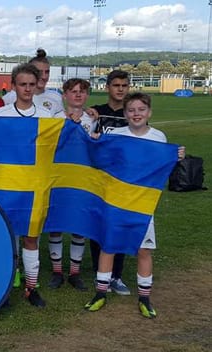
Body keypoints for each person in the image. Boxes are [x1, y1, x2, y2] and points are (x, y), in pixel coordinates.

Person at [84, 92, 185, 318]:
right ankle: (100, 293)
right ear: (125, 113)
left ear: (149, 112)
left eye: (141, 110)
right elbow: (100, 158)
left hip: (142, 203)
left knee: (144, 249)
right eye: (131, 110)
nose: (136, 114)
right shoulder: (116, 134)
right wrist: (96, 141)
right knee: (108, 246)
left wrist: (176, 156)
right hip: (117, 200)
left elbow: (160, 168)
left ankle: (145, 298)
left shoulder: (159, 137)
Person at [0, 63, 64, 308]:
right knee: (9, 237)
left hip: (35, 186)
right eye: (22, 84)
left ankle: (31, 288)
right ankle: (6, 288)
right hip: (8, 184)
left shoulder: (46, 117)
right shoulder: (0, 115)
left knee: (31, 238)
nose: (27, 89)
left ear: (37, 86)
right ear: (13, 86)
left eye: (31, 84)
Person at [46, 78, 96, 291]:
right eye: (73, 91)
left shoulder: (93, 118)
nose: (77, 95)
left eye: (82, 92)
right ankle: (57, 271)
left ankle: (75, 273)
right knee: (55, 226)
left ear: (87, 96)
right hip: (58, 177)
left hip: (81, 179)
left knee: (78, 226)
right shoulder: (53, 118)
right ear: (64, 95)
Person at [86, 70, 132, 295]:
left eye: (124, 85)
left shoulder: (132, 113)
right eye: (116, 85)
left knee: (119, 225)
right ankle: (100, 273)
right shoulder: (97, 112)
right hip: (100, 178)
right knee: (98, 225)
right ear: (108, 87)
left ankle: (117, 275)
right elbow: (86, 140)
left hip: (123, 179)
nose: (120, 89)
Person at [3, 49, 64, 116]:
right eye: (39, 72)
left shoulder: (56, 97)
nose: (44, 77)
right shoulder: (9, 98)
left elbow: (60, 123)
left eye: (47, 72)